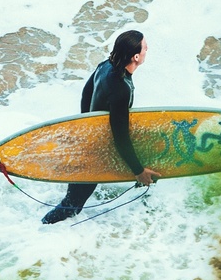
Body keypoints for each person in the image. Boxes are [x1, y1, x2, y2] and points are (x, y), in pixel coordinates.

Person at [42, 29, 159, 224]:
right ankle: (40, 231)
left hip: (89, 141)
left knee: (74, 200)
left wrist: (87, 126)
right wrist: (138, 171)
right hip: (93, 154)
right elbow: (120, 135)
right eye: (145, 47)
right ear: (136, 56)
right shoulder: (120, 88)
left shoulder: (106, 66)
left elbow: (86, 94)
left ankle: (143, 203)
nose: (148, 50)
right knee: (73, 205)